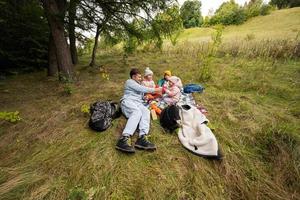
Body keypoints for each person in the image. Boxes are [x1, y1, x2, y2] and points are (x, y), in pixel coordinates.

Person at [116, 68, 162, 153]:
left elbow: (141, 95)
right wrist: (156, 90)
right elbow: (142, 89)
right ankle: (124, 139)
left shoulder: (138, 84)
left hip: (138, 103)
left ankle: (142, 137)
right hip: (128, 101)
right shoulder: (129, 82)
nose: (140, 79)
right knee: (136, 113)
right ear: (133, 76)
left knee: (146, 111)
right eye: (139, 77)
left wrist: (145, 98)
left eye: (141, 77)